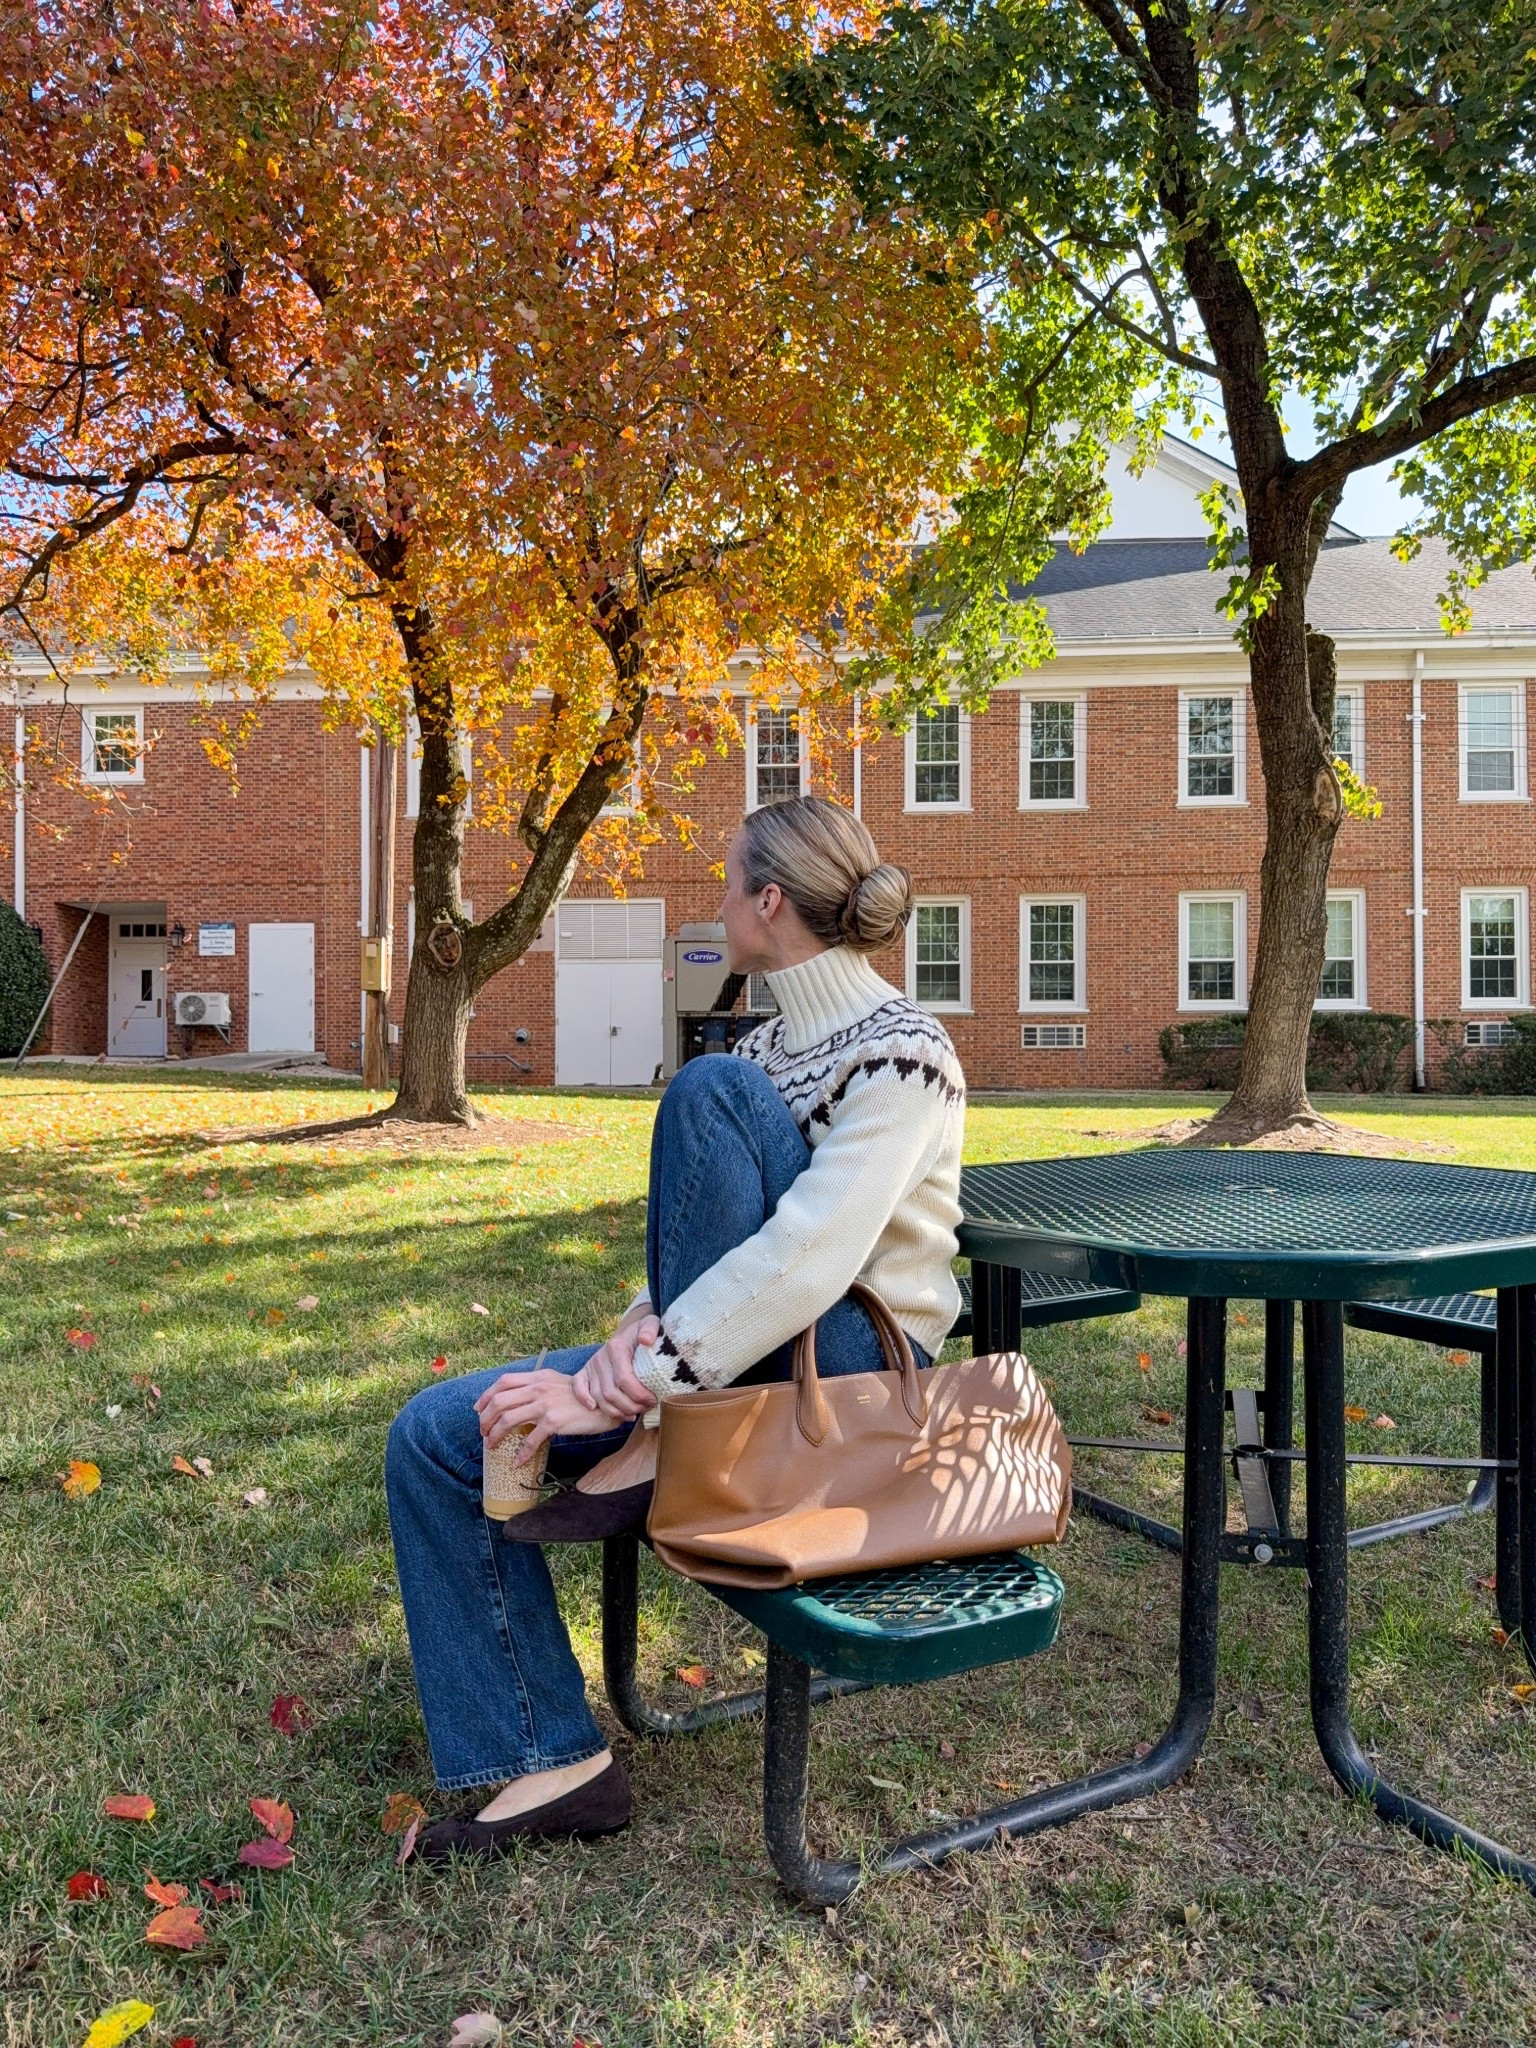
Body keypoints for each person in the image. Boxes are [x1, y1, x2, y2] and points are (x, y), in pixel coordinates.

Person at [385, 796, 966, 1861]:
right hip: (726, 1363)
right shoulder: (765, 1043)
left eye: (726, 879)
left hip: (853, 1377)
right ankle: (552, 1756)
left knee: (709, 1090)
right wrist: (631, 1337)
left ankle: (657, 1437)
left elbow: (809, 1254)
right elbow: (713, 1243)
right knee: (435, 1431)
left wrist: (634, 1380)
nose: (715, 899)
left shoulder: (904, 1051)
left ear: (770, 901)